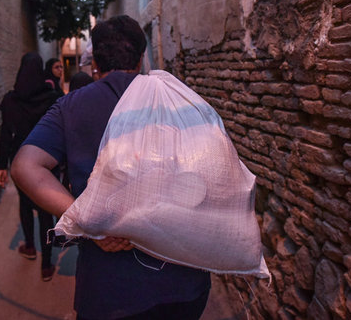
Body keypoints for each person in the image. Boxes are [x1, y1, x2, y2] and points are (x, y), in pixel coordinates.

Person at [11, 16, 211, 319]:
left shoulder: (71, 107)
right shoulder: (180, 101)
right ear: (142, 58)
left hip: (111, 289)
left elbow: (25, 167)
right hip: (183, 280)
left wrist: (90, 222)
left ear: (95, 62)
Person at [0, 52, 61, 281]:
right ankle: (46, 265)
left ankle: (31, 247)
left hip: (20, 161)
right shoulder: (51, 98)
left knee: (25, 203)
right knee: (45, 211)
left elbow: (6, 134)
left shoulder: (11, 100)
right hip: (46, 160)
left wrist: (1, 165)